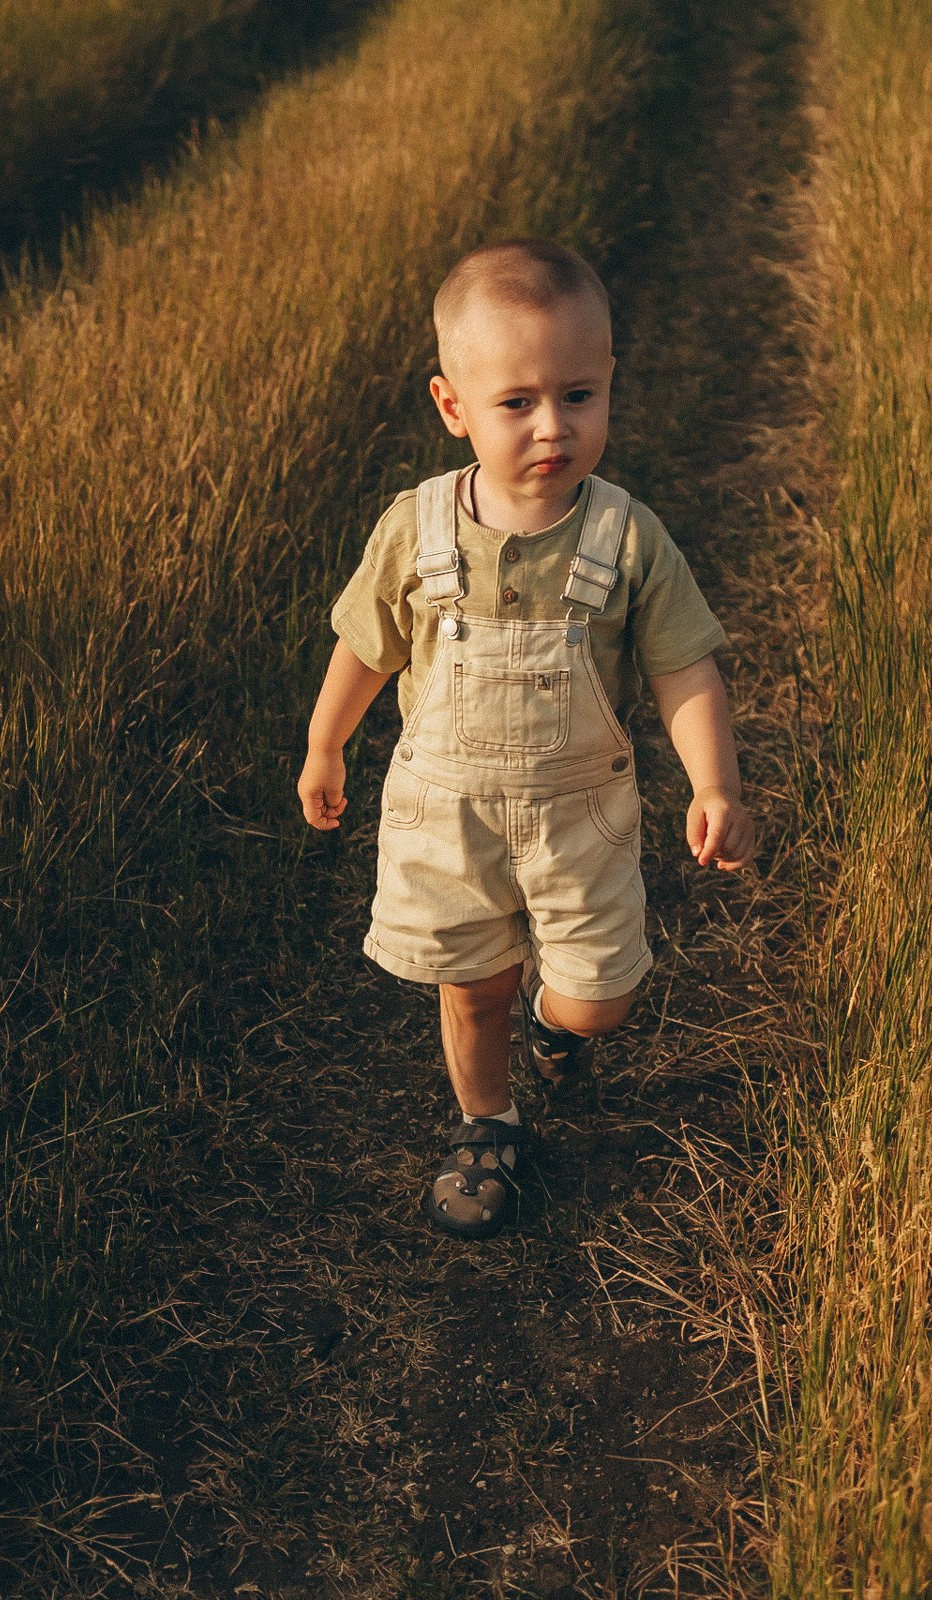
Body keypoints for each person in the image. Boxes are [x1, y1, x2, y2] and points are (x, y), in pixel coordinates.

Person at [298, 239, 756, 1238]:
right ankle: (488, 1123)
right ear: (453, 406)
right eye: (518, 404)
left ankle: (560, 1025)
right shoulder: (415, 530)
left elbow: (683, 665)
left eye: (579, 396)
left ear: (610, 386)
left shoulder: (626, 539)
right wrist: (326, 743)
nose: (554, 426)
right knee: (473, 992)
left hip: (579, 821)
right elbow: (366, 646)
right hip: (450, 821)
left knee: (599, 998)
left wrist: (713, 782)